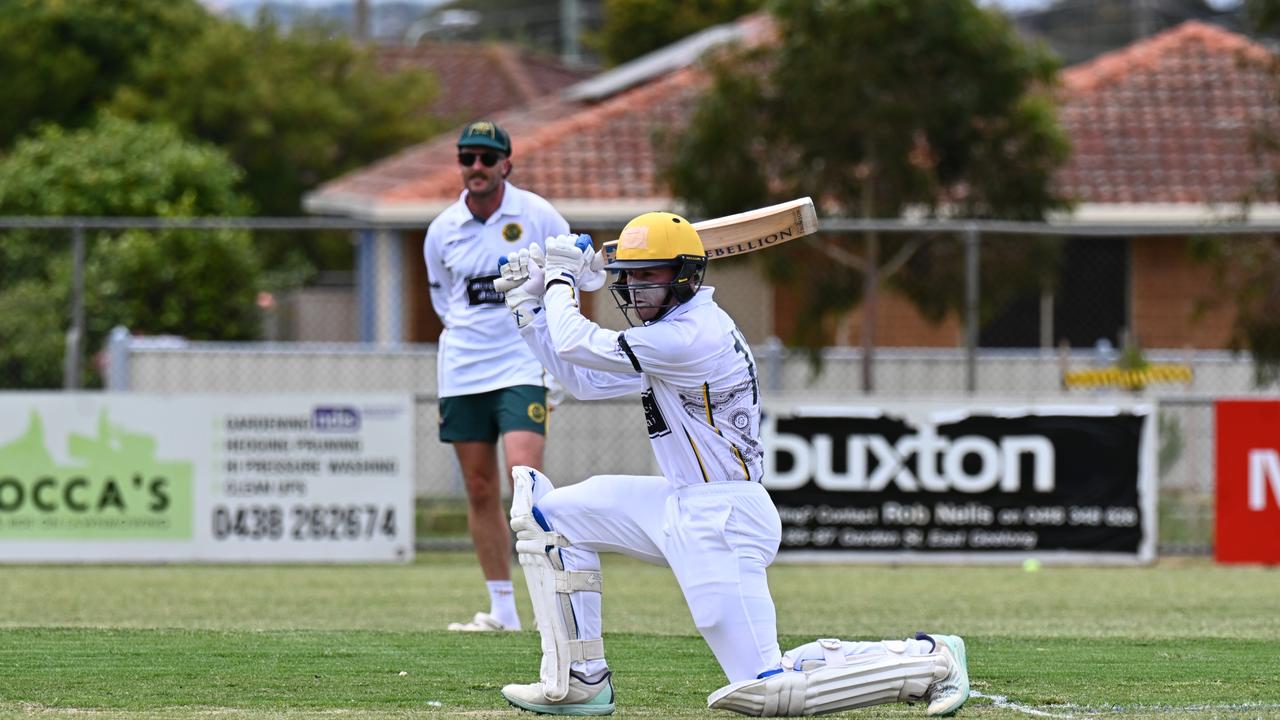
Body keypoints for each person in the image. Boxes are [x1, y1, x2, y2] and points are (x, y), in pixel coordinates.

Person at [491, 212, 971, 716]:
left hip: (724, 517)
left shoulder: (690, 336)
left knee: (769, 689)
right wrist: (529, 304)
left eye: (648, 274)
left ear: (685, 275)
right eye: (629, 276)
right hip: (678, 501)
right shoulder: (667, 334)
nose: (634, 289)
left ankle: (928, 661)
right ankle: (579, 682)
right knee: (553, 517)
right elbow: (582, 379)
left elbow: (576, 342)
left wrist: (562, 281)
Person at [423, 120, 569, 632]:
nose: (477, 167)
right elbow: (444, 298)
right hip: (463, 367)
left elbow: (570, 274)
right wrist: (470, 334)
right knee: (480, 487)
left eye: (487, 158)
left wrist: (553, 348)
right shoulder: (442, 229)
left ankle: (556, 604)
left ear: (506, 163)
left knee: (524, 483)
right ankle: (502, 609)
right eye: (468, 158)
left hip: (521, 360)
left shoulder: (536, 213)